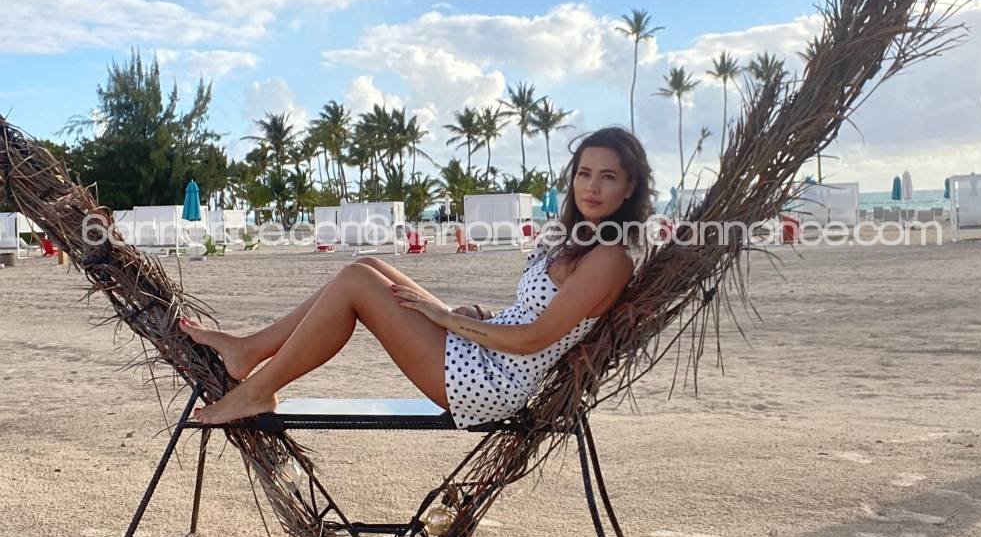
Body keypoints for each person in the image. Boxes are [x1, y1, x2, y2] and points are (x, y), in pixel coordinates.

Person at [179, 127, 655, 428]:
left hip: (490, 383)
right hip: (486, 351)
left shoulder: (609, 259)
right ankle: (250, 350)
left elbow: (534, 338)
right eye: (584, 173)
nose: (592, 186)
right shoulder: (577, 239)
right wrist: (479, 314)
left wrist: (445, 319)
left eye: (608, 177)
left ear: (630, 186)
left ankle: (257, 390)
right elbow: (535, 314)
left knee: (357, 282)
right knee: (368, 266)